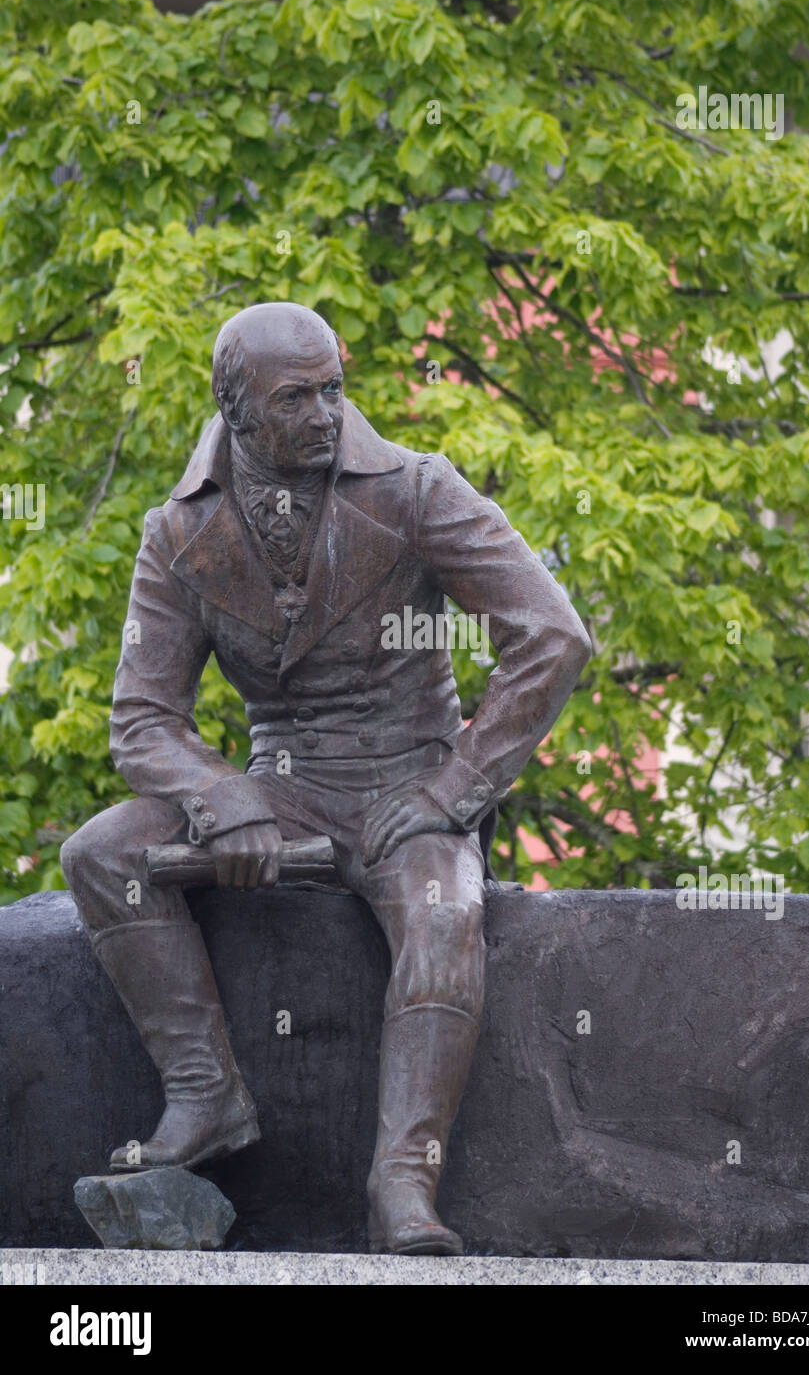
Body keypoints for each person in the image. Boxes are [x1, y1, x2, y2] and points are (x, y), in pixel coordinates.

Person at [60, 302, 590, 1255]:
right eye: (295, 398)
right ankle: (204, 1095)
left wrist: (452, 791)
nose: (324, 414)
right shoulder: (176, 532)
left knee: (443, 916)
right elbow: (142, 719)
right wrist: (223, 799)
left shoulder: (418, 490)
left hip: (408, 786)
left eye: (333, 390)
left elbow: (552, 637)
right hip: (279, 785)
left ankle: (404, 1181)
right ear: (233, 408)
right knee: (101, 853)